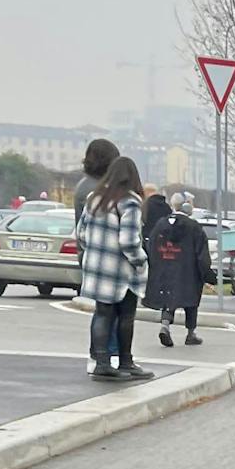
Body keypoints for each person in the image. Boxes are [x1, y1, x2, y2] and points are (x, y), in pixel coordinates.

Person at [75, 157, 154, 382]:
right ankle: (126, 361)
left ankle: (101, 363)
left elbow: (81, 234)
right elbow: (129, 241)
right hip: (121, 272)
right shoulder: (130, 202)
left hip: (97, 269)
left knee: (102, 313)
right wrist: (141, 261)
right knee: (126, 316)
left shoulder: (94, 199)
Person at [146, 194, 210, 347]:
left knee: (168, 299)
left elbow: (151, 247)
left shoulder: (160, 224)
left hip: (164, 269)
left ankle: (165, 325)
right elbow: (202, 255)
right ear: (186, 206)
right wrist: (207, 274)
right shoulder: (194, 227)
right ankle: (190, 333)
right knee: (191, 301)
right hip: (188, 272)